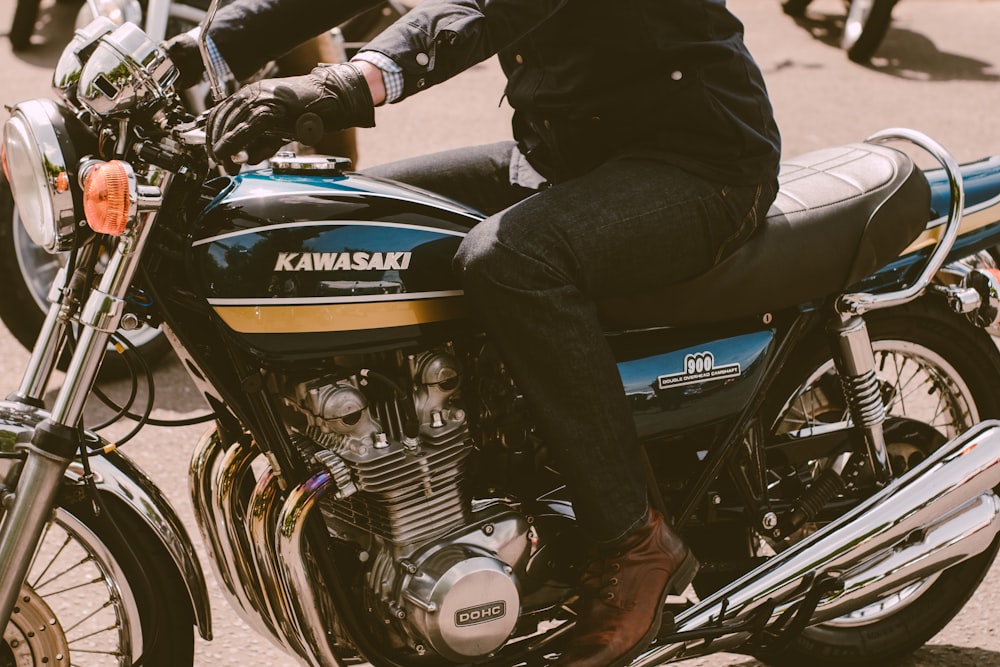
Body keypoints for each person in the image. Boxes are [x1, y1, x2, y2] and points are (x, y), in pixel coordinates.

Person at [183, 1, 782, 665]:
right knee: (326, 232)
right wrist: (206, 45)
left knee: (510, 260)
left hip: (697, 161)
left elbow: (485, 9)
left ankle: (635, 542)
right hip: (565, 153)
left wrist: (344, 82)